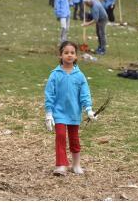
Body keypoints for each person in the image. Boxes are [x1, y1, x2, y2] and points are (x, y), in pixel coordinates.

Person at [44, 41, 95, 176]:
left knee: (74, 138)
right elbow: (49, 94)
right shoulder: (54, 74)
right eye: (66, 53)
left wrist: (88, 109)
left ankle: (76, 164)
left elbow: (85, 94)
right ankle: (61, 165)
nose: (69, 55)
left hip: (74, 113)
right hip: (59, 113)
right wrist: (49, 113)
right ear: (60, 55)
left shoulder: (80, 75)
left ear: (76, 56)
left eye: (72, 53)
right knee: (60, 136)